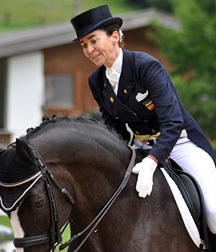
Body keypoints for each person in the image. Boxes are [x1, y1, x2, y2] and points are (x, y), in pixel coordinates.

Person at [70, 5, 216, 234]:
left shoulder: (145, 67)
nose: (89, 49)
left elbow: (173, 121)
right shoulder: (96, 80)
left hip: (179, 143)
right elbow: (114, 127)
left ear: (115, 36)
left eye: (93, 40)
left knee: (214, 213)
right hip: (140, 146)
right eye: (84, 45)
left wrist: (152, 162)